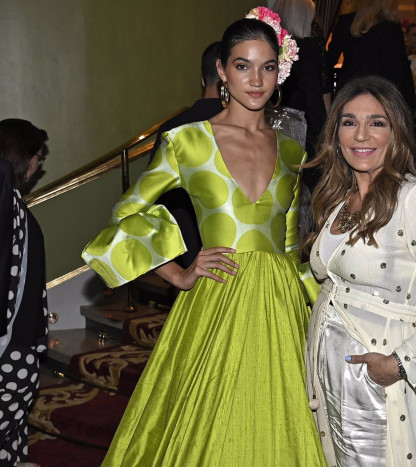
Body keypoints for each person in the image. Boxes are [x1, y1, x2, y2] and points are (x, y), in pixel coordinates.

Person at [83, 12, 326, 466]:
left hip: (279, 310)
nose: (256, 79)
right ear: (221, 72)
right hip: (215, 299)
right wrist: (176, 271)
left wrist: (323, 313)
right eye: (242, 65)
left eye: (267, 67)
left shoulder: (292, 151)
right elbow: (126, 212)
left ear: (280, 72)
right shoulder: (187, 142)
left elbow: (292, 252)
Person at [303, 75, 416, 466]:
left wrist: (401, 363)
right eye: (349, 122)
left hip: (378, 375)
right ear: (336, 133)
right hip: (328, 367)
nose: (361, 134)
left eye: (377, 123)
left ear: (396, 132)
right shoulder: (338, 199)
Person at [146, 41, 224, 269]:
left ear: (202, 80)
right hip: (234, 256)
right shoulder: (244, 131)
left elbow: (151, 202)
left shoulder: (171, 129)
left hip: (182, 252)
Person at [0, 119, 49, 467]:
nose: (38, 166)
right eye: (38, 157)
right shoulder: (10, 206)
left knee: (14, 435)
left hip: (17, 344)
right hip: (11, 346)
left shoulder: (13, 204)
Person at [273, 0, 327, 192]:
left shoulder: (273, 46)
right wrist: (325, 130)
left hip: (273, 120)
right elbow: (312, 94)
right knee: (313, 184)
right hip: (302, 126)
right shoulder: (308, 47)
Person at [327, 0, 416, 113]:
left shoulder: (346, 22)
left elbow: (327, 63)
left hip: (349, 96)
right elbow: (399, 74)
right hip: (380, 100)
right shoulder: (390, 28)